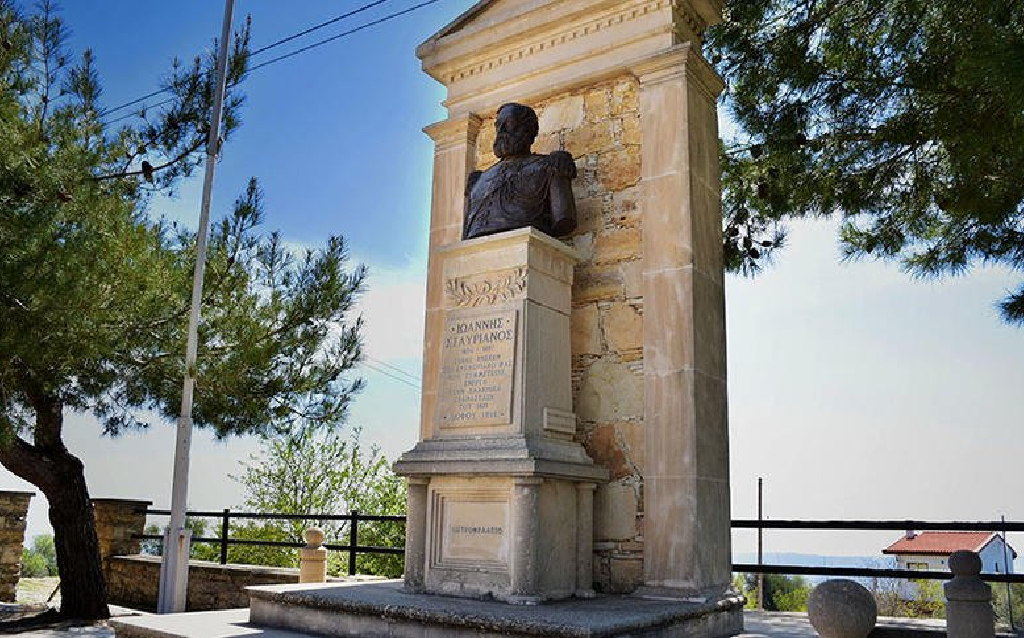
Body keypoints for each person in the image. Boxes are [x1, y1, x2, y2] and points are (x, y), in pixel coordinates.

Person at [462, 103, 578, 240]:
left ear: (528, 129)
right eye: (498, 125)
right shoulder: (478, 180)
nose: (501, 130)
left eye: (509, 123)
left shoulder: (550, 166)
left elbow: (564, 218)